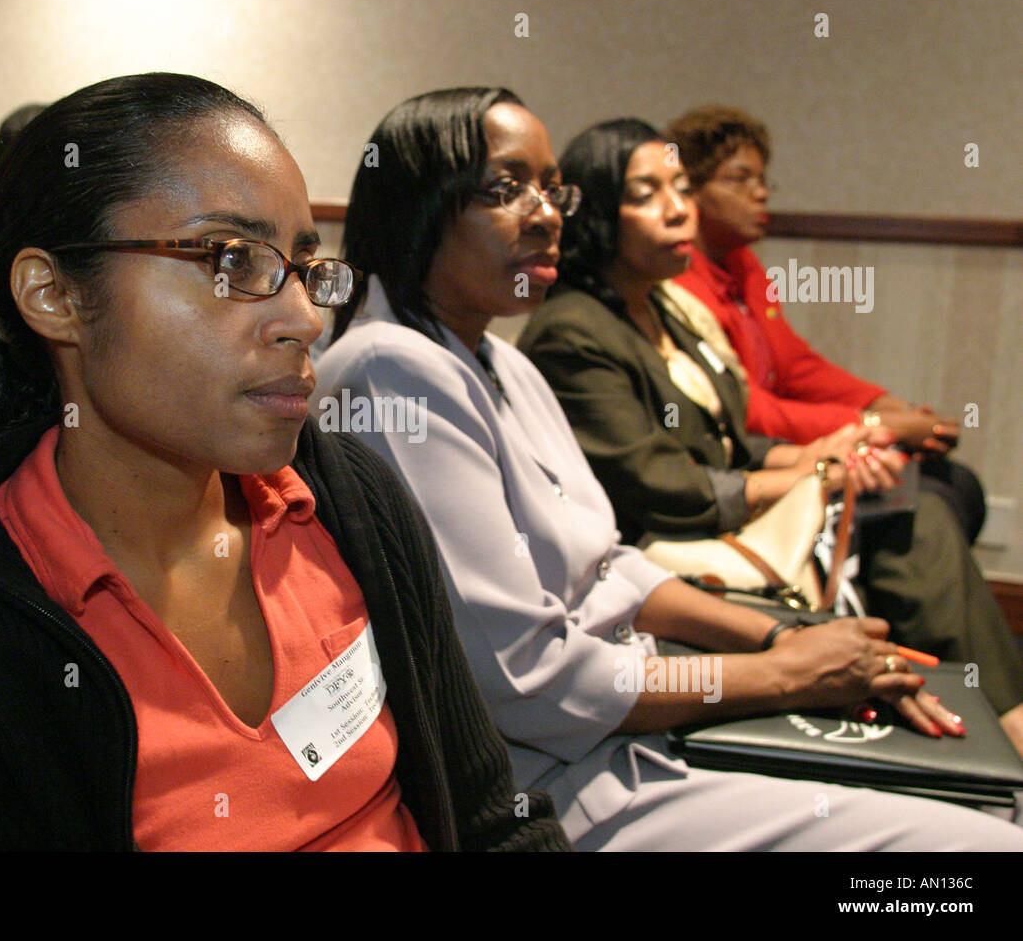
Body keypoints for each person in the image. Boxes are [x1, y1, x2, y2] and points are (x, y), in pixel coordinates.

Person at [0, 72, 568, 852]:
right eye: (230, 261)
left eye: (302, 265)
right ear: (54, 295)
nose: (305, 319)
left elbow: (491, 824)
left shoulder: (350, 503)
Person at [314, 87, 1023, 850]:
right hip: (564, 779)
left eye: (553, 189)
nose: (548, 213)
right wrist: (785, 675)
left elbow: (611, 564)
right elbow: (529, 682)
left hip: (640, 709)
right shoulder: (392, 369)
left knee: (979, 789)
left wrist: (776, 637)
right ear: (419, 206)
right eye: (505, 188)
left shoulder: (502, 361)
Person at [517, 117, 1023, 751]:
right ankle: (1000, 724)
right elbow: (667, 487)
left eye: (680, 187)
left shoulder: (667, 306)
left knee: (902, 492)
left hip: (724, 513)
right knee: (909, 513)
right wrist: (816, 473)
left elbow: (731, 433)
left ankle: (978, 714)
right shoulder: (574, 331)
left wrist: (823, 451)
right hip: (662, 543)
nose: (680, 211)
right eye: (647, 195)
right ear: (596, 216)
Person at [666, 105, 985, 543]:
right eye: (740, 179)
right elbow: (747, 408)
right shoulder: (677, 279)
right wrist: (875, 428)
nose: (760, 193)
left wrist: (890, 407)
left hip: (791, 444)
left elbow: (796, 366)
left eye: (763, 180)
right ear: (690, 190)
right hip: (751, 458)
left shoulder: (743, 263)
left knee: (956, 482)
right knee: (925, 502)